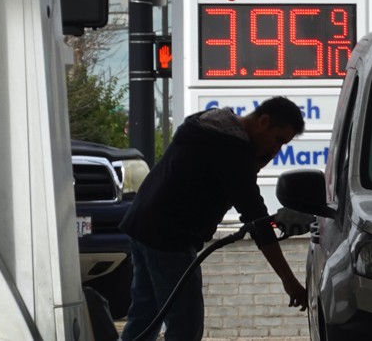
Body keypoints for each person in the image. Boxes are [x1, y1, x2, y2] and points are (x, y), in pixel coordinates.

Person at [118, 96, 308, 341]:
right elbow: (256, 216)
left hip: (143, 224)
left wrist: (256, 159)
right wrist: (289, 280)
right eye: (278, 140)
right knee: (185, 324)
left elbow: (238, 187)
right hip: (169, 237)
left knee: (145, 317)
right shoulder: (230, 148)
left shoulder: (208, 127)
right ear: (263, 121)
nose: (276, 149)